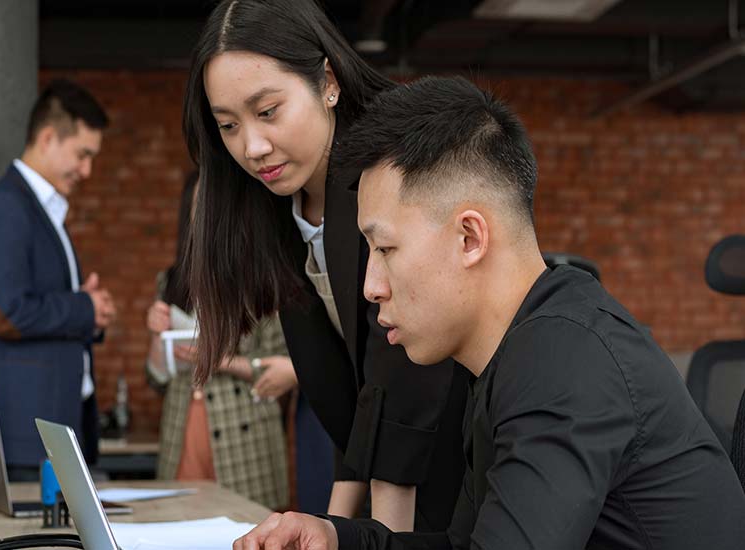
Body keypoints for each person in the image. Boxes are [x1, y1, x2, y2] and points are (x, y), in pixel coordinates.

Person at [234, 76, 745, 549]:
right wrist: (336, 539)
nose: (371, 287)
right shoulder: (516, 355)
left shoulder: (562, 366)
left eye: (385, 250)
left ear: (470, 237)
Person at [182, 0, 467, 532]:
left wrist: (371, 536)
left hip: (469, 465)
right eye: (228, 125)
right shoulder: (279, 211)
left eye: (268, 111)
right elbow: (357, 398)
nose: (252, 146)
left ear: (328, 83)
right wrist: (334, 528)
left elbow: (404, 380)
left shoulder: (397, 173)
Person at [0, 79, 117, 481]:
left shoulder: (39, 210)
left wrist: (87, 310)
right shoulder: (5, 207)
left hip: (49, 433)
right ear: (47, 138)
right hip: (23, 439)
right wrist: (83, 308)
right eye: (82, 154)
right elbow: (3, 313)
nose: (87, 170)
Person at [144, 171, 293, 510]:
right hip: (181, 429)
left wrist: (219, 359)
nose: (208, 213)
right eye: (200, 204)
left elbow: (285, 369)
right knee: (178, 526)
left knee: (248, 530)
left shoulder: (264, 279)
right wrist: (156, 336)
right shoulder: (170, 280)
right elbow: (156, 378)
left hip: (245, 439)